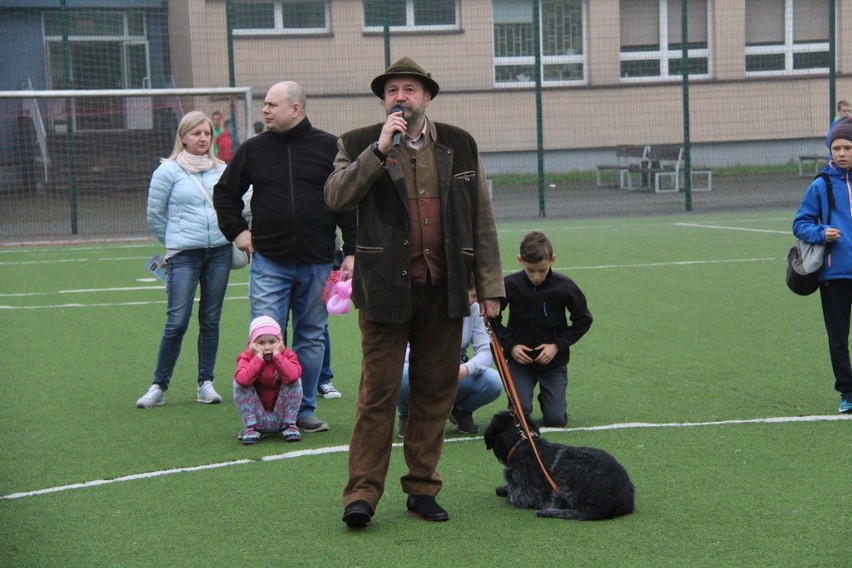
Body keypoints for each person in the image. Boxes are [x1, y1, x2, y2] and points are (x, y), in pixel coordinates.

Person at [324, 56, 505, 528]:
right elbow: (336, 197)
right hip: (384, 292)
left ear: (427, 96)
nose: (399, 97)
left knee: (435, 394)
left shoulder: (461, 145)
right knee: (376, 396)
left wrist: (489, 288)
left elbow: (482, 220)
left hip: (445, 293)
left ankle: (423, 489)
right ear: (384, 100)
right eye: (391, 91)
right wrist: (378, 152)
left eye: (409, 89)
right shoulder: (359, 143)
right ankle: (361, 494)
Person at [213, 81, 356, 434]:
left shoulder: (329, 147)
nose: (264, 110)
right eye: (264, 104)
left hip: (319, 263)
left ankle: (302, 410)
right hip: (269, 263)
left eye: (271, 105)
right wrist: (238, 232)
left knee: (311, 336)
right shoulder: (253, 149)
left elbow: (348, 201)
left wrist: (351, 250)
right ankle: (263, 413)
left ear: (295, 109)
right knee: (264, 338)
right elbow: (225, 193)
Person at [136, 111, 230, 408]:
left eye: (207, 134)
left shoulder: (222, 168)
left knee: (211, 320)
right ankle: (158, 386)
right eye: (196, 133)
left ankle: (206, 383)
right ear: (183, 137)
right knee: (177, 320)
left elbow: (237, 205)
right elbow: (154, 214)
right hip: (183, 257)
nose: (203, 139)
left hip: (220, 252)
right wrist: (175, 241)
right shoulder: (167, 171)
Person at [495, 231, 593, 427]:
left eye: (542, 270)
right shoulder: (509, 285)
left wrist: (556, 346)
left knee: (555, 420)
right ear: (520, 261)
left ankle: (550, 401)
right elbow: (493, 319)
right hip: (519, 363)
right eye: (531, 270)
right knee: (520, 415)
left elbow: (583, 320)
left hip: (553, 364)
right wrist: (511, 346)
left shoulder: (565, 286)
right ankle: (522, 400)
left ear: (552, 260)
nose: (536, 276)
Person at [793, 118, 852, 414]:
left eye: (847, 147)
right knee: (839, 337)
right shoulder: (821, 184)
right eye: (836, 147)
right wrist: (822, 233)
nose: (841, 153)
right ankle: (847, 392)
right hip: (834, 273)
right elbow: (800, 223)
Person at [397, 286, 503, 437]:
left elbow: (486, 351)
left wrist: (465, 369)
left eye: (475, 296)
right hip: (422, 371)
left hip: (455, 372)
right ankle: (406, 414)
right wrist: (430, 365)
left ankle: (461, 411)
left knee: (494, 382)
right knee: (402, 374)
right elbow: (401, 350)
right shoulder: (422, 305)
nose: (472, 301)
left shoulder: (474, 308)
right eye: (468, 296)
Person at [233, 316, 303, 444]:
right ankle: (252, 428)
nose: (267, 347)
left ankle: (290, 425)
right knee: (238, 383)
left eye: (272, 342)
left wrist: (278, 356)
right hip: (258, 417)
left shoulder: (288, 355)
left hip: (281, 416)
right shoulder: (245, 358)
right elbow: (242, 380)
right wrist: (258, 357)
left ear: (280, 342)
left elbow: (293, 376)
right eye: (261, 343)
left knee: (295, 381)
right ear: (251, 344)